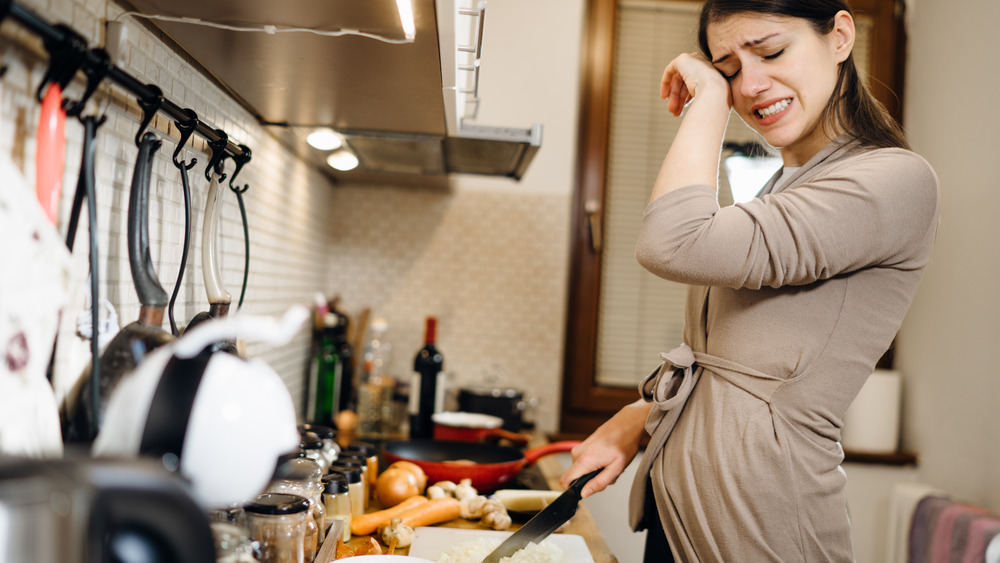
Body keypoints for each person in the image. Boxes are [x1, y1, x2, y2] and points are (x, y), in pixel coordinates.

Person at [559, 0, 940, 561]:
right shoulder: (787, 188)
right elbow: (740, 361)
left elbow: (672, 241)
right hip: (686, 524)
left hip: (763, 535)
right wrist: (639, 418)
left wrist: (708, 100)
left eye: (771, 51)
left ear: (839, 37)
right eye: (730, 70)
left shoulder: (891, 180)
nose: (751, 85)